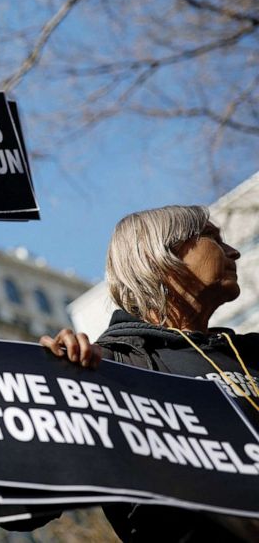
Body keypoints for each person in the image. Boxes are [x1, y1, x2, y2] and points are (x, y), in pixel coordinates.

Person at [41, 205, 259, 542]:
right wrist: (59, 386)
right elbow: (25, 507)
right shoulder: (112, 367)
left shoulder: (250, 352)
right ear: (159, 254)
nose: (234, 252)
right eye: (214, 238)